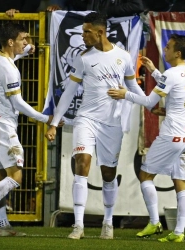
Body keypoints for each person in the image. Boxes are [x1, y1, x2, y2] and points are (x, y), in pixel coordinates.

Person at [45, 12, 145, 240]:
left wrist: (149, 102)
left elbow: (133, 87)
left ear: (100, 32)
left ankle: (108, 223)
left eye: (86, 32)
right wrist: (53, 124)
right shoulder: (83, 58)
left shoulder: (123, 57)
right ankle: (78, 225)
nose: (83, 36)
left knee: (108, 174)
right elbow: (69, 92)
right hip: (86, 119)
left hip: (112, 124)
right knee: (82, 163)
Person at [0, 21, 63, 236]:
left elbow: (13, 56)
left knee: (0, 178)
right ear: (11, 41)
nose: (26, 42)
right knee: (16, 177)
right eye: (23, 39)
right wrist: (45, 118)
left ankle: (3, 227)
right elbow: (18, 104)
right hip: (3, 126)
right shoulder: (10, 72)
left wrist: (26, 51)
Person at [108, 34, 185, 242]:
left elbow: (150, 102)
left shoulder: (172, 74)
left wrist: (126, 94)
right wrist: (154, 71)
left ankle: (154, 222)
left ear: (177, 53)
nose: (164, 50)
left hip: (173, 136)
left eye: (168, 47)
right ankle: (178, 233)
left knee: (145, 176)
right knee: (181, 182)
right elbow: (176, 91)